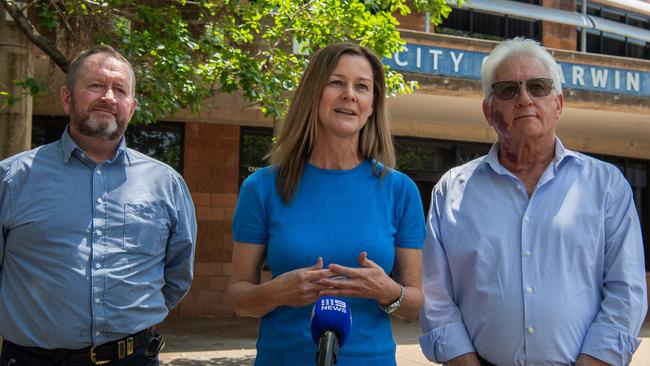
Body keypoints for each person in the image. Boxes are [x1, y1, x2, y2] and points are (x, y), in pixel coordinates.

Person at [418, 37, 647, 366]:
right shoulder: (451, 191)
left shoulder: (606, 185)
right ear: (488, 110)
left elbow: (626, 290)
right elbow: (435, 296)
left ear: (559, 104)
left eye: (538, 87)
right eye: (509, 90)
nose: (525, 99)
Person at [228, 43, 425, 365]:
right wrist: (277, 292)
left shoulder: (400, 191)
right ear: (313, 93)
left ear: (372, 104)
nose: (350, 94)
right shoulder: (261, 188)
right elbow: (239, 297)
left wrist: (386, 290)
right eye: (336, 82)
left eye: (362, 87)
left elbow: (414, 305)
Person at [0, 45, 197, 366]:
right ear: (67, 98)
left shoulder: (166, 184)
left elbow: (177, 276)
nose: (108, 96)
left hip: (134, 358)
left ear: (131, 107)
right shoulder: (11, 178)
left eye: (119, 90)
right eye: (95, 86)